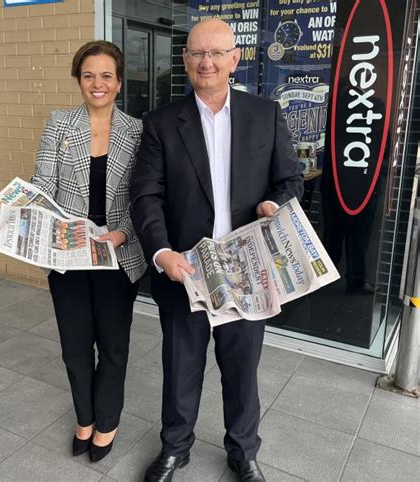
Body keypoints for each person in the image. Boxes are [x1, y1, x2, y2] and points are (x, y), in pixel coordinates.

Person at [130, 19, 303, 482]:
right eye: (197, 53)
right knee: (180, 367)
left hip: (247, 268)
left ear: (234, 59)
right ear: (185, 60)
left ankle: (243, 452)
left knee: (242, 369)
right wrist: (161, 252)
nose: (206, 62)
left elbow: (290, 181)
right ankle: (175, 448)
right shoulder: (161, 123)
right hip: (184, 269)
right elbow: (146, 196)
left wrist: (275, 204)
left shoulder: (264, 114)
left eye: (216, 52)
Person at [0, 40, 147, 463]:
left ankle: (107, 423)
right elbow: (42, 187)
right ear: (78, 80)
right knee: (74, 346)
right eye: (88, 75)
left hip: (116, 254)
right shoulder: (59, 124)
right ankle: (84, 418)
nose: (97, 83)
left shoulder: (138, 131)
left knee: (113, 347)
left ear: (119, 82)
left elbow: (144, 198)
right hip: (65, 252)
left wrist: (122, 234)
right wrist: (7, 217)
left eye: (106, 75)